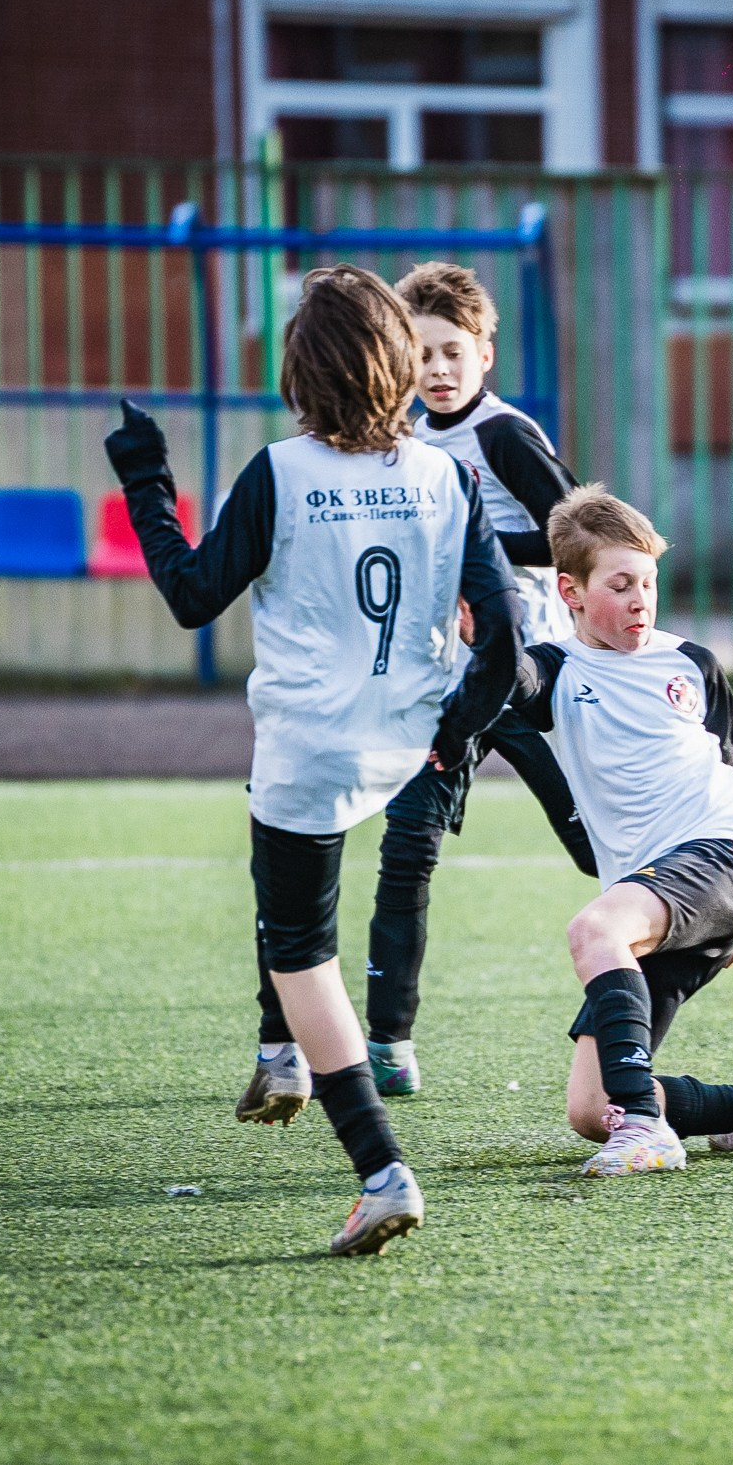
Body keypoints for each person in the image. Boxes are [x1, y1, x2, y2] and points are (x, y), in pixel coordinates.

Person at [241, 261, 733, 1105]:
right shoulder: (394, 448)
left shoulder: (503, 435)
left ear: (484, 354)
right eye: (422, 354)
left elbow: (571, 538)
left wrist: (470, 548)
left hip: (540, 684)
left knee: (600, 848)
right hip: (452, 681)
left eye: (452, 352)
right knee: (408, 847)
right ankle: (390, 1041)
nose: (437, 370)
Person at [105, 264, 520, 1253]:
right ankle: (279, 1058)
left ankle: (378, 1167)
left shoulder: (279, 472)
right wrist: (452, 735)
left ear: (302, 377)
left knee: (303, 952)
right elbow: (503, 640)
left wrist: (145, 483)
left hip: (306, 749)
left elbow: (194, 593)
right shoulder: (448, 474)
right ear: (398, 365)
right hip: (403, 737)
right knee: (297, 904)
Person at [506, 486, 733, 1176]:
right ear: (570, 591)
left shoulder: (692, 663)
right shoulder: (554, 670)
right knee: (590, 1109)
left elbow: (721, 775)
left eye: (648, 581)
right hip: (657, 890)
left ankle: (647, 1129)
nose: (641, 599)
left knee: (594, 930)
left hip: (719, 862)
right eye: (621, 585)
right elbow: (514, 679)